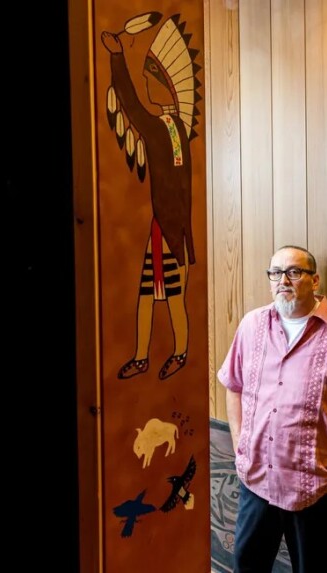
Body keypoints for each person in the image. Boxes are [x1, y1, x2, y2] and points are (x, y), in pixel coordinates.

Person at [217, 245, 327, 573]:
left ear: (314, 280)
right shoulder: (252, 325)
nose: (284, 280)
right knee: (246, 567)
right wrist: (241, 447)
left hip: (314, 492)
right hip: (256, 481)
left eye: (294, 272)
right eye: (276, 273)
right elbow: (233, 385)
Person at [100, 13, 202, 381]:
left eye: (149, 77)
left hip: (170, 227)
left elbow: (129, 104)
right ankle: (147, 355)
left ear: (165, 87)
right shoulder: (175, 128)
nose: (145, 82)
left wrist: (116, 57)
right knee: (151, 292)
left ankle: (176, 352)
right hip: (169, 225)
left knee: (171, 294)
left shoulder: (164, 130)